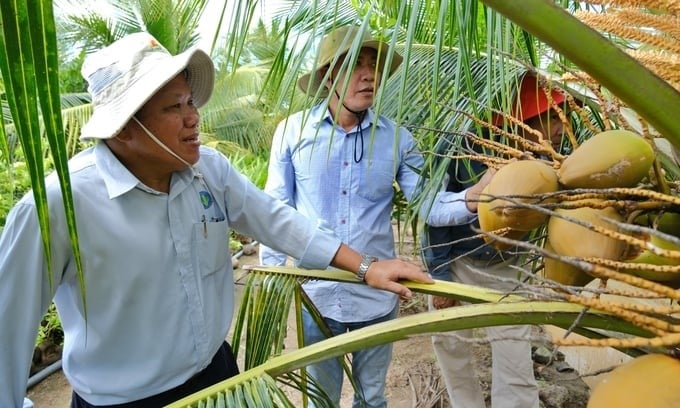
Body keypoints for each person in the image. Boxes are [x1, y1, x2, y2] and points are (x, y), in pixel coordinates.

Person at [0, 32, 435, 408]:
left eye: (190, 101)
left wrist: (366, 266)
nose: (194, 118)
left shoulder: (209, 170)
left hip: (218, 376)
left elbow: (278, 220)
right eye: (174, 108)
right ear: (122, 129)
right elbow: (6, 329)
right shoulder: (58, 207)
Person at [258, 25, 481, 408]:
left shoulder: (397, 139)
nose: (369, 75)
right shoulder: (292, 133)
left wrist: (474, 199)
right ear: (329, 77)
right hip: (316, 296)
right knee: (322, 401)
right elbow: (276, 213)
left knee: (372, 399)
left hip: (376, 297)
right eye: (355, 66)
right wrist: (273, 293)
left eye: (372, 66)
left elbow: (429, 205)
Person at [421, 72, 571, 408]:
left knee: (514, 351)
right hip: (455, 262)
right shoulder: (463, 149)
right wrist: (441, 278)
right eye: (549, 117)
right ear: (523, 119)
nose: (560, 127)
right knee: (450, 344)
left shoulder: (552, 157)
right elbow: (432, 216)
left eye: (562, 116)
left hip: (505, 268)